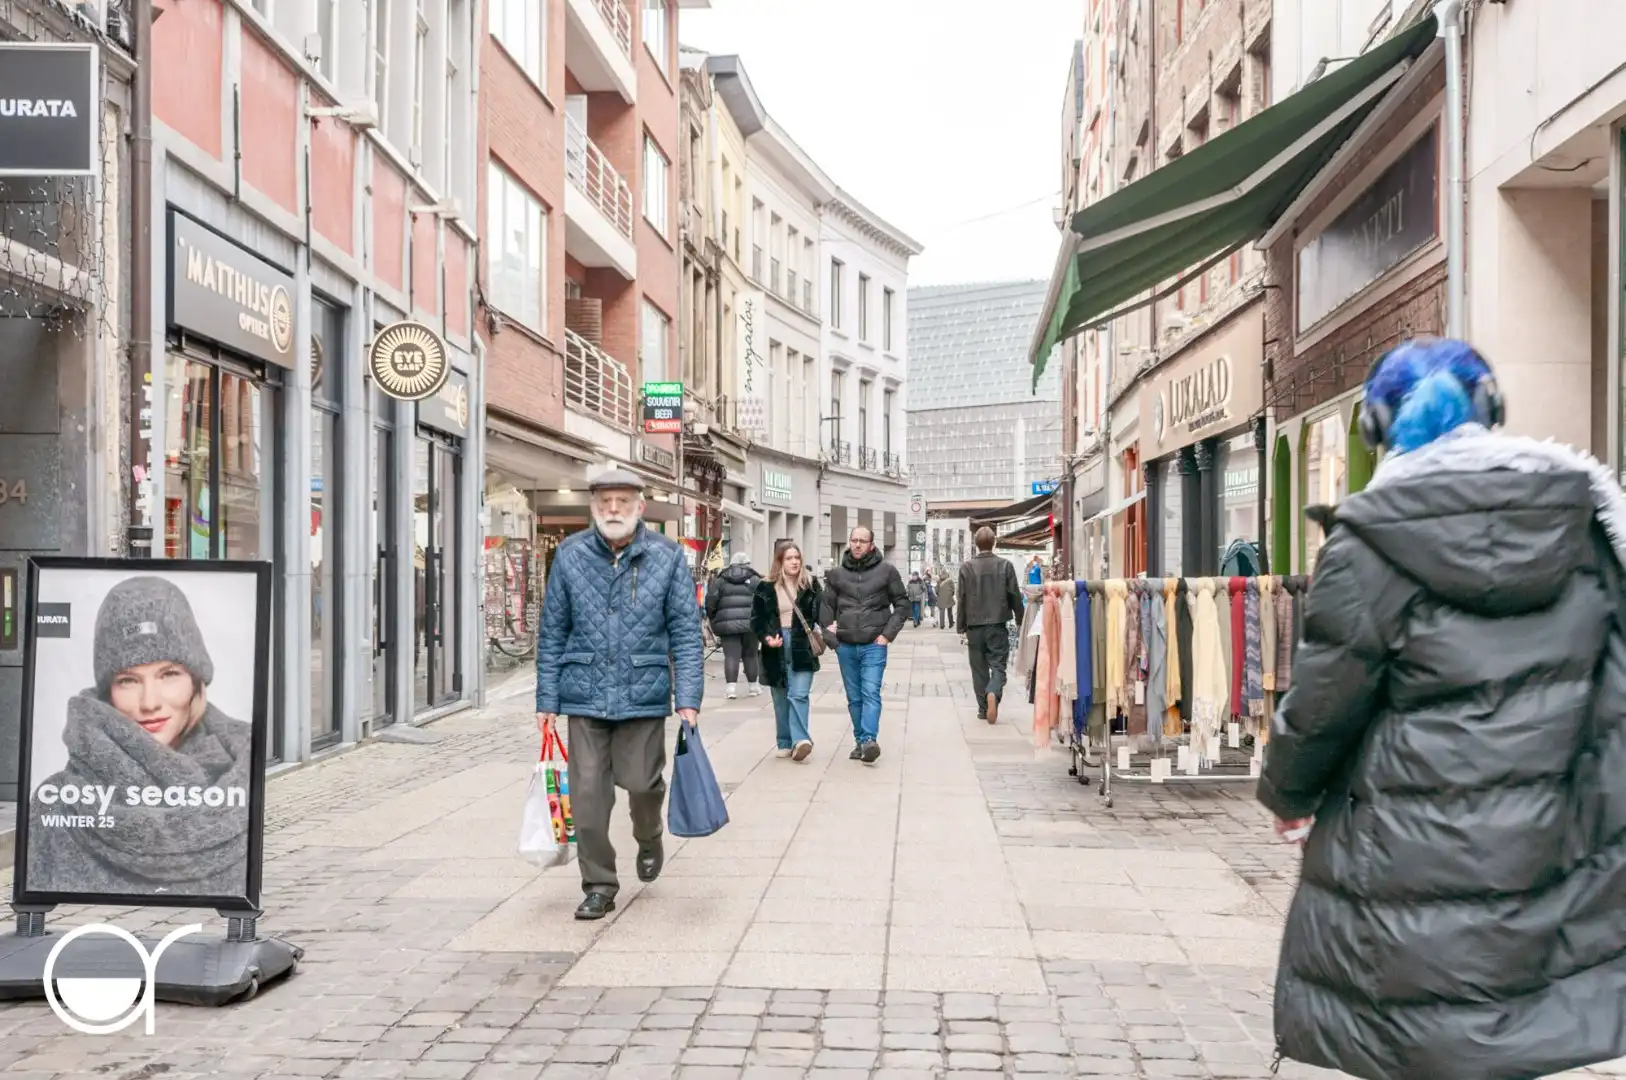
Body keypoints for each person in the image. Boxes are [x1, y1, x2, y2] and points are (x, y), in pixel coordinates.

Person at [1259, 338, 1626, 1080]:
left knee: (1419, 1029)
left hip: (1405, 847)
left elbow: (1323, 704)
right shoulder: (1588, 527)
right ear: (1493, 412)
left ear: (1378, 429)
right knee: (1518, 1027)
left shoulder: (1368, 544)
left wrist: (1289, 794)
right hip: (1552, 836)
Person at [536, 467, 704, 921]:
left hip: (643, 692)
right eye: (605, 502)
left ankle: (648, 837)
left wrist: (688, 697)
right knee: (588, 801)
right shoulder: (570, 556)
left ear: (640, 508)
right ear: (593, 507)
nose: (613, 510)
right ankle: (599, 884)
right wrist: (546, 699)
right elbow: (553, 632)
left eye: (622, 502)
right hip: (584, 694)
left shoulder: (667, 558)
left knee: (644, 786)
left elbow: (686, 634)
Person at [26, 576, 253, 897]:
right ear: (109, 692)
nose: (149, 702)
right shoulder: (58, 803)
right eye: (129, 680)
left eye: (169, 674)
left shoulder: (245, 773)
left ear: (196, 678)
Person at [821, 526, 908, 763]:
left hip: (873, 644)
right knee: (854, 697)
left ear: (872, 545)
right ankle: (860, 742)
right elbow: (825, 608)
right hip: (845, 646)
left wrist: (887, 635)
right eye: (854, 540)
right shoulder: (836, 574)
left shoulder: (887, 572)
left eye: (862, 541)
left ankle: (869, 739)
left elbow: (902, 605)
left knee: (870, 692)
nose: (857, 544)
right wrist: (832, 639)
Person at [752, 542, 822, 762]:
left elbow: (822, 611)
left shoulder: (810, 585)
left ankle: (800, 740)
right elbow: (757, 620)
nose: (794, 562)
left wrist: (830, 626)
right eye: (789, 558)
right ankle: (784, 741)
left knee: (799, 694)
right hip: (777, 646)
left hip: (802, 644)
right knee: (781, 696)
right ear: (780, 562)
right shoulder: (765, 587)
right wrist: (767, 638)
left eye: (797, 558)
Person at [958, 528, 1024, 724]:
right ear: (994, 542)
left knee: (978, 668)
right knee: (998, 664)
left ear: (976, 544)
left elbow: (961, 598)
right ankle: (993, 691)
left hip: (974, 625)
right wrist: (1020, 619)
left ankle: (983, 708)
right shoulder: (1005, 566)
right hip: (997, 623)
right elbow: (1014, 595)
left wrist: (961, 625)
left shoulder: (966, 567)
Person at [705, 551, 762, 699]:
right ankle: (753, 687)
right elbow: (765, 601)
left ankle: (731, 689)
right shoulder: (756, 579)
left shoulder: (721, 580)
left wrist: (713, 617)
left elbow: (711, 601)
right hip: (751, 623)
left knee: (731, 655)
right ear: (748, 564)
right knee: (751, 654)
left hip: (727, 624)